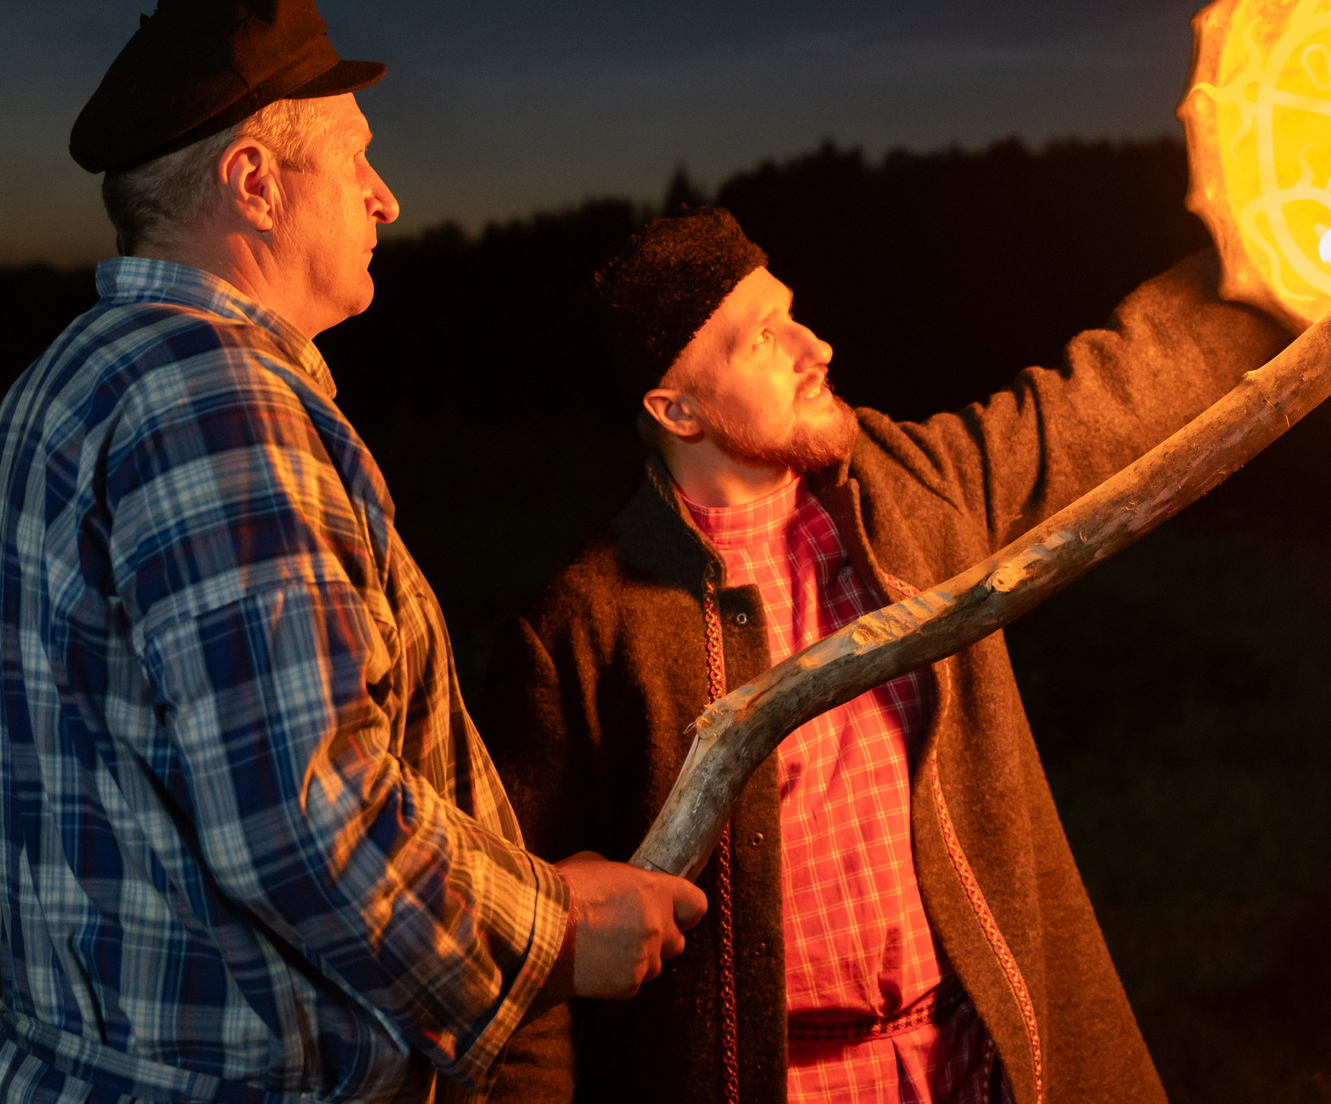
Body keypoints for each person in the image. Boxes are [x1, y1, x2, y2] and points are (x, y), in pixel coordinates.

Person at [0, 0, 704, 1104]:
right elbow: (301, 818)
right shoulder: (214, 404)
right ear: (255, 183)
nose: (386, 197)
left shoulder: (72, 378)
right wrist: (552, 932)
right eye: (355, 158)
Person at [482, 207, 1288, 1104]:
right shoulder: (586, 625)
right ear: (676, 408)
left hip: (971, 1062)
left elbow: (1112, 390)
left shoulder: (914, 492)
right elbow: (533, 957)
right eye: (762, 338)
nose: (815, 344)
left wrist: (1282, 254)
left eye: (792, 311)